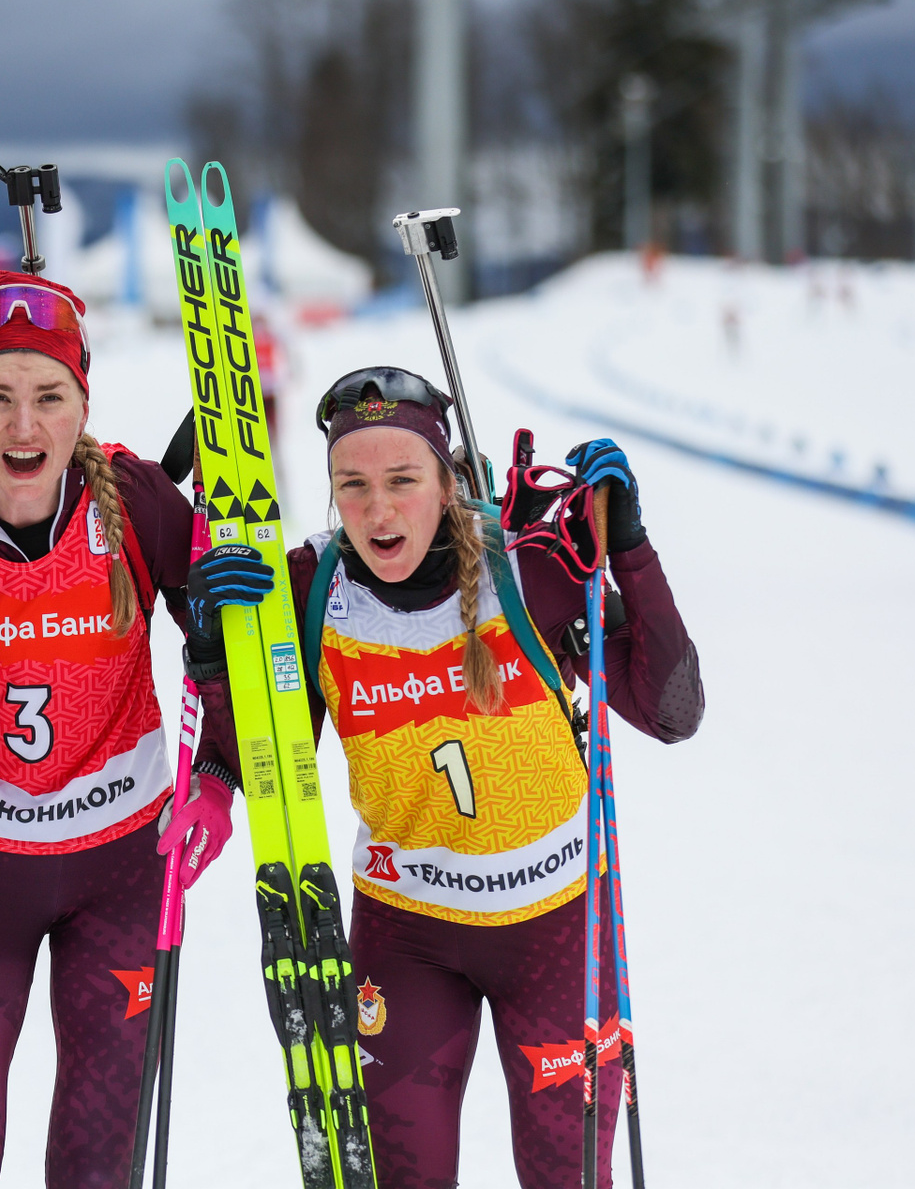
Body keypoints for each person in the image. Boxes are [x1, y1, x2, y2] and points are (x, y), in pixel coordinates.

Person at [0, 269, 259, 1189]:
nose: (24, 426)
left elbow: (235, 669)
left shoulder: (134, 497)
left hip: (121, 868)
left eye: (50, 396)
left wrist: (216, 775)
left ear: (83, 405)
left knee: (98, 1164)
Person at [286, 367, 703, 1188]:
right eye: (353, 485)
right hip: (407, 934)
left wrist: (629, 547)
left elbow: (672, 710)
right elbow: (260, 754)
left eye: (403, 480)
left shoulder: (529, 570)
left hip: (558, 931)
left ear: (447, 483)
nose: (378, 510)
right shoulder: (313, 587)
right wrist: (213, 634)